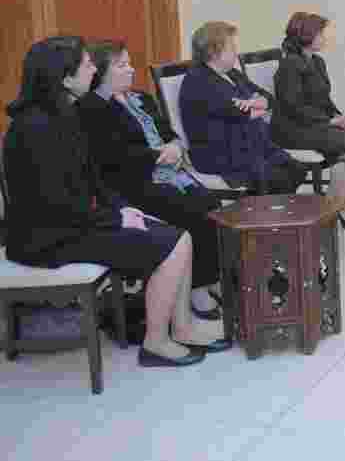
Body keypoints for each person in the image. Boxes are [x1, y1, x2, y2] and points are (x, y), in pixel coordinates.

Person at [3, 37, 229, 367]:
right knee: (173, 242)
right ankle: (156, 342)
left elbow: (93, 179)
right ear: (64, 78)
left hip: (76, 223)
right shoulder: (33, 128)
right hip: (48, 238)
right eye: (86, 64)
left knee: (181, 236)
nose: (93, 69)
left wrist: (121, 208)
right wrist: (114, 219)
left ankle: (183, 326)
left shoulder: (62, 114)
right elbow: (56, 204)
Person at [76, 40, 224, 321]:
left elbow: (169, 132)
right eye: (122, 65)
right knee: (195, 213)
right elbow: (113, 154)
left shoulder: (141, 98)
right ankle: (197, 287)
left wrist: (175, 147)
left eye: (129, 63)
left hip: (168, 171)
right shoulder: (93, 107)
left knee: (211, 203)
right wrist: (160, 153)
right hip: (132, 182)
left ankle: (209, 276)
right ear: (102, 72)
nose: (131, 70)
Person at [179, 21, 306, 194]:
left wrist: (256, 104)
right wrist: (253, 107)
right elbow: (237, 112)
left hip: (248, 143)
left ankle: (275, 213)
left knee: (296, 169)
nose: (236, 52)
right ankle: (263, 215)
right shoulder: (198, 80)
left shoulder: (232, 73)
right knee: (277, 176)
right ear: (213, 52)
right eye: (231, 47)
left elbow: (268, 99)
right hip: (221, 153)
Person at [270, 12, 345, 199]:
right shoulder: (289, 65)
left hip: (313, 124)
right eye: (321, 34)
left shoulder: (317, 62)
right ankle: (340, 200)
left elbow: (324, 98)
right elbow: (293, 107)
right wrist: (329, 121)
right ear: (307, 35)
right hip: (292, 130)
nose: (325, 38)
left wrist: (338, 117)